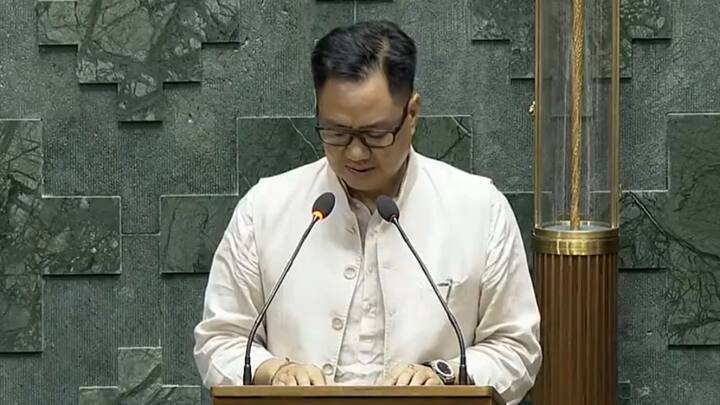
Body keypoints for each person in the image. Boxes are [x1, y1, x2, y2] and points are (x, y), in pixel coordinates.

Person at [193, 20, 541, 404]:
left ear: (412, 113)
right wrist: (273, 371)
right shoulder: (265, 208)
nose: (355, 153)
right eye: (337, 132)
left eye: (376, 135)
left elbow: (516, 348)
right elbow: (219, 340)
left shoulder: (479, 208)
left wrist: (444, 375)